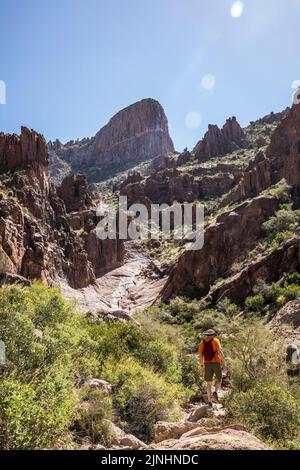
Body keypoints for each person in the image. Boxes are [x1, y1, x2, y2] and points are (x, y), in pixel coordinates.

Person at [198, 329, 227, 408]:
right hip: (216, 363)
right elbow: (220, 352)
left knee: (209, 384)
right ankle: (216, 392)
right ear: (213, 335)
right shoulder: (215, 341)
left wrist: (202, 366)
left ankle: (210, 402)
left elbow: (200, 356)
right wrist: (224, 363)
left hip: (206, 364)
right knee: (220, 379)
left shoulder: (202, 343)